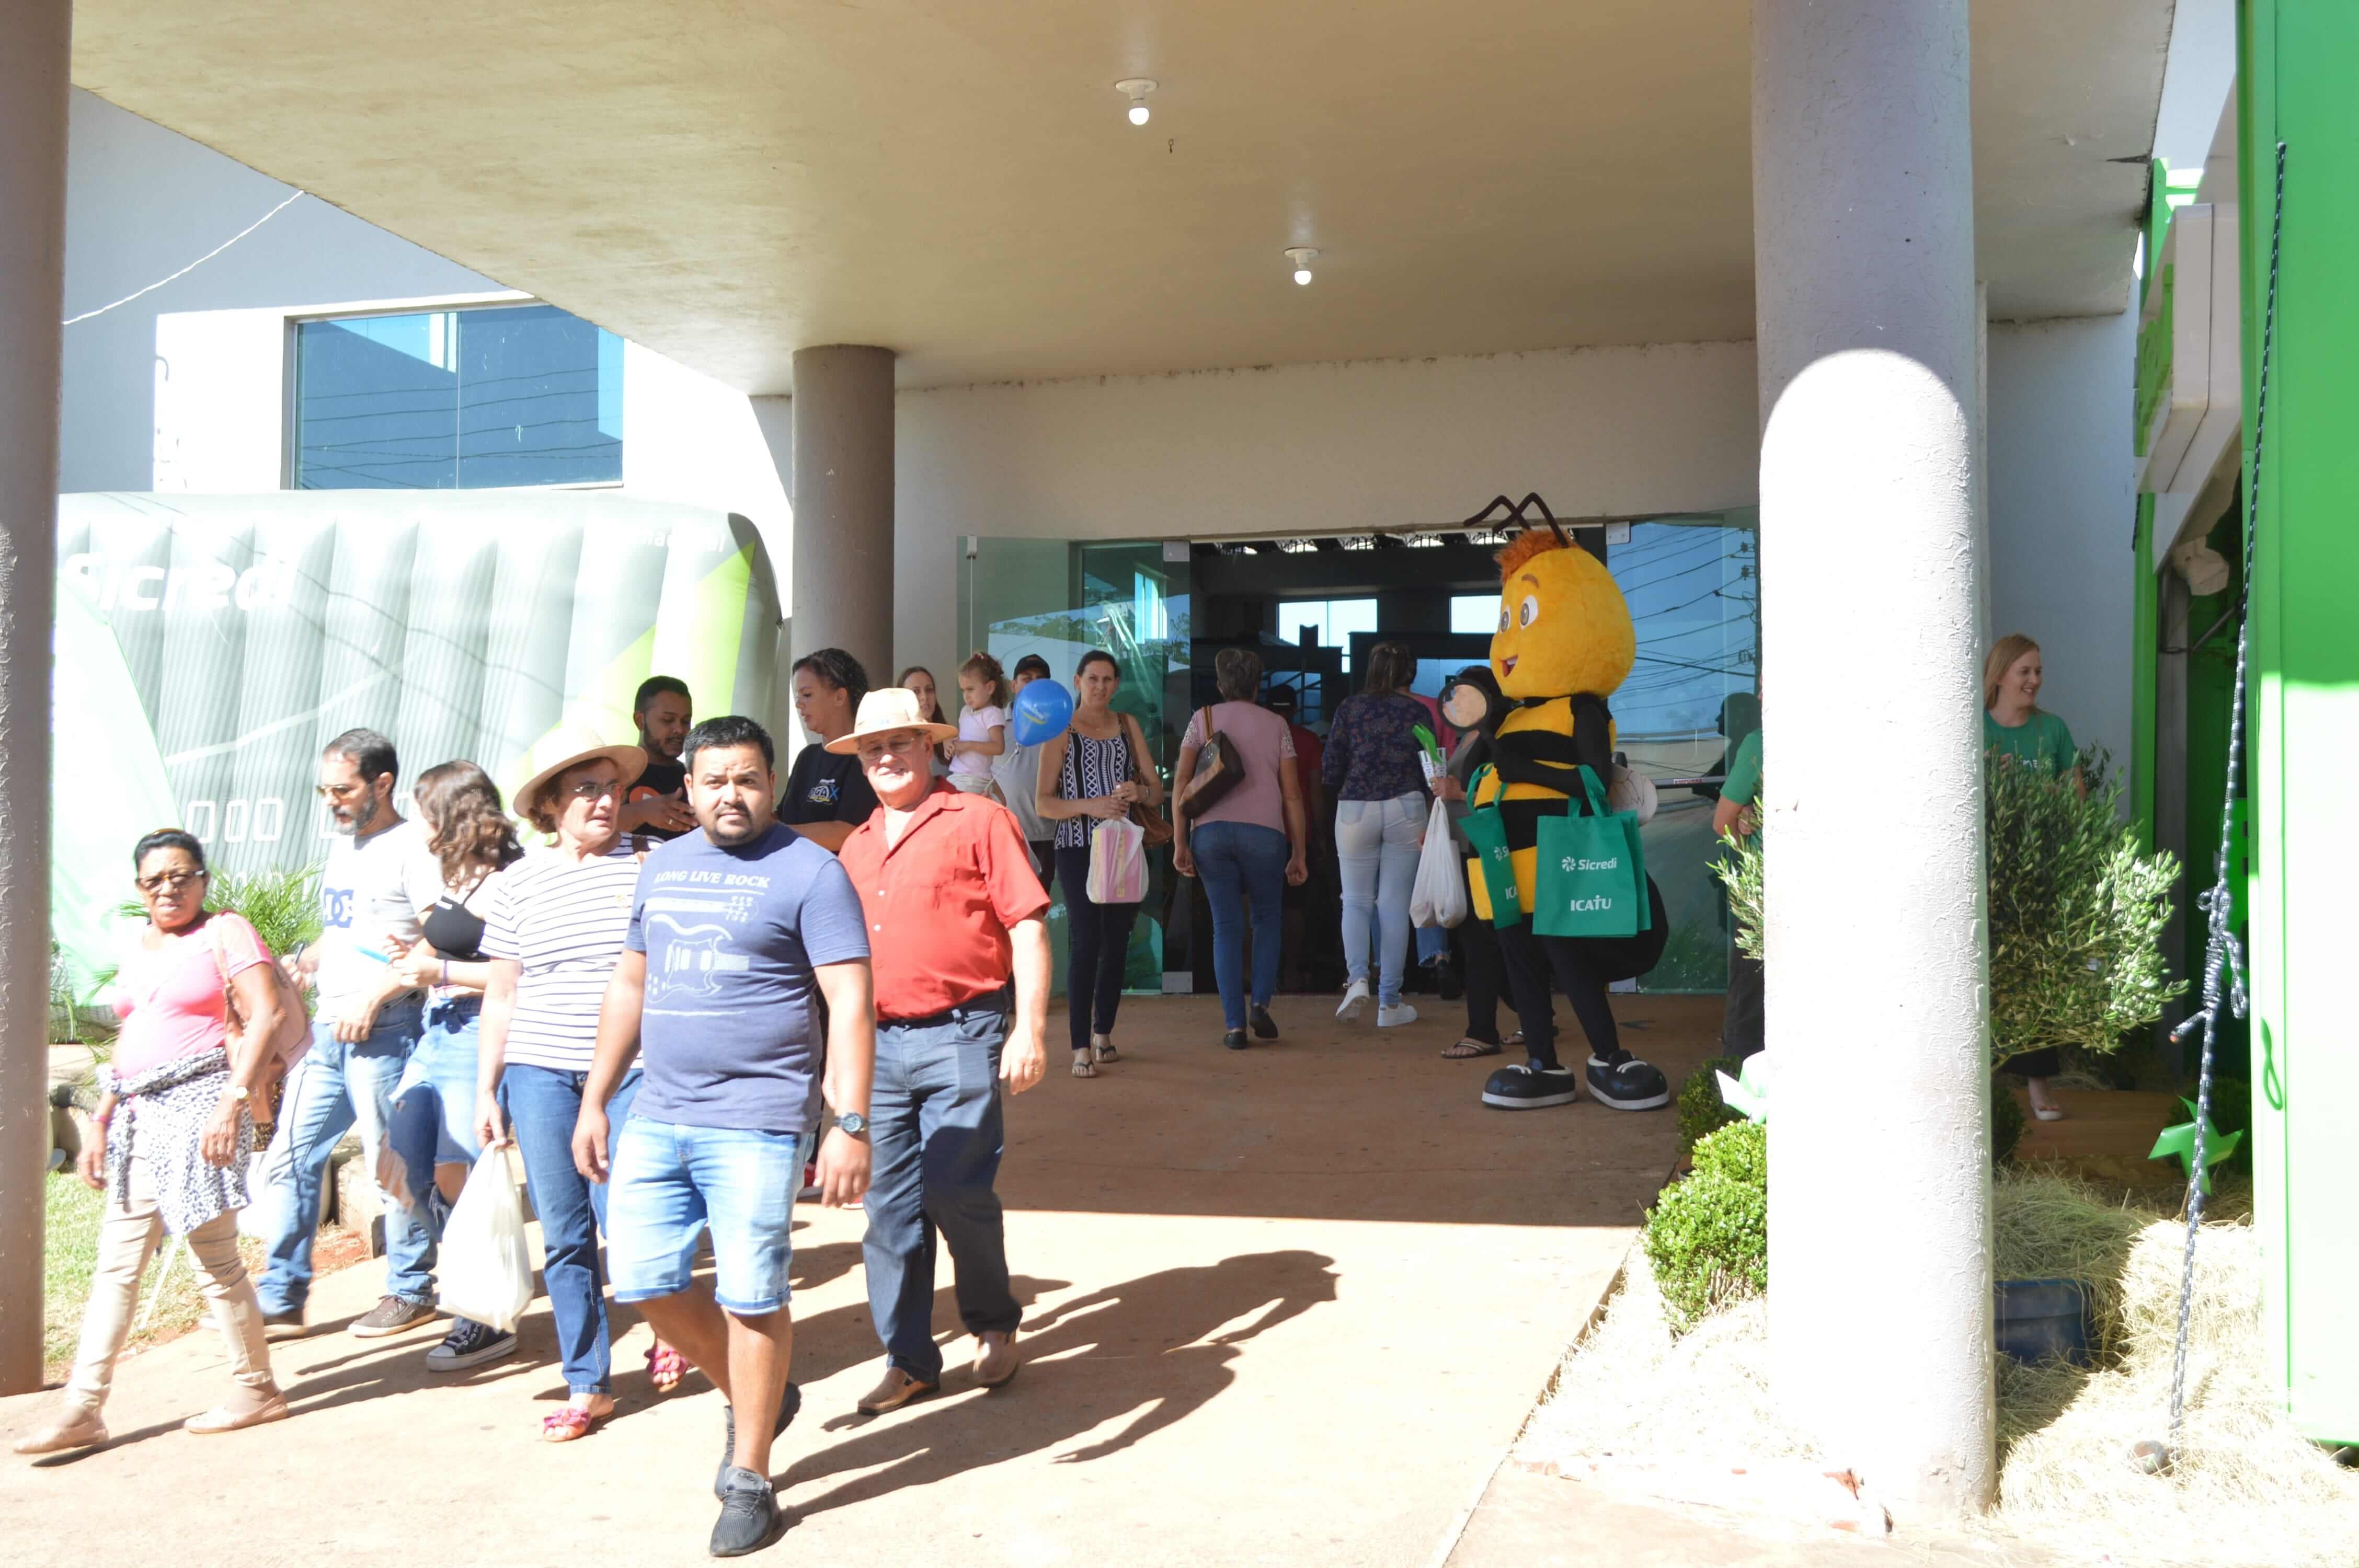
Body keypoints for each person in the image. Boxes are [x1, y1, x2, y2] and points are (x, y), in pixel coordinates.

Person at [575, 714, 875, 1558]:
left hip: (758, 1120)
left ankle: (750, 1475)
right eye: (713, 781)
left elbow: (851, 1003)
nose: (730, 795)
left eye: (745, 779)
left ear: (771, 781)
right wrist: (597, 1097)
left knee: (751, 1295)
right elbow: (631, 982)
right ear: (690, 789)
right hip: (658, 1111)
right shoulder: (662, 866)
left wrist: (848, 1123)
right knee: (641, 1279)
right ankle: (758, 1395)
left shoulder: (812, 872)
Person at [14, 831, 290, 1454]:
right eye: (153, 880)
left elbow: (267, 1014)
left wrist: (233, 1101)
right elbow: (135, 1039)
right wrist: (103, 1117)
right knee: (117, 1264)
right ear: (139, 888)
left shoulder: (226, 932)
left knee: (214, 1260)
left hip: (202, 1106)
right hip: (139, 1114)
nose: (168, 889)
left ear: (203, 879)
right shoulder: (142, 945)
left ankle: (257, 1390)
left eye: (181, 876)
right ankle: (84, 1407)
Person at [833, 689, 1050, 1412]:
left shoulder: (980, 819)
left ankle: (992, 1324)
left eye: (900, 743)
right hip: (879, 1044)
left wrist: (1030, 1028)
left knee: (956, 1190)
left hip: (963, 1032)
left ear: (930, 747)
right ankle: (909, 1359)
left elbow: (1027, 927)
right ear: (861, 764)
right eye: (873, 749)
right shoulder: (856, 847)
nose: (887, 758)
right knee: (889, 1212)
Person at [474, 732, 663, 1438]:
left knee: (632, 1219)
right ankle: (589, 1383)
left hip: (633, 1076)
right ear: (551, 806)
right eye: (585, 788)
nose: (605, 800)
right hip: (538, 1076)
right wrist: (485, 1090)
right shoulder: (517, 883)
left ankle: (669, 1329)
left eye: (612, 787)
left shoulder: (652, 866)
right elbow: (502, 994)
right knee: (565, 1234)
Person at [256, 729, 445, 1340]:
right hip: (329, 1032)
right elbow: (349, 929)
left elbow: (444, 935)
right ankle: (282, 1294)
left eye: (344, 788)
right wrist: (307, 958)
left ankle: (412, 1288)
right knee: (289, 1157)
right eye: (326, 790)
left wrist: (376, 994)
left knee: (392, 1168)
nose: (332, 800)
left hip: (386, 1030)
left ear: (382, 784)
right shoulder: (347, 845)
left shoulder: (412, 847)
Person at [385, 760, 525, 1373]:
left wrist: (436, 972)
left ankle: (482, 1315)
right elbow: (436, 942)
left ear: (451, 814)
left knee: (458, 1178)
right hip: (435, 1034)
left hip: (474, 1034)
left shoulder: (508, 883)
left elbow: (512, 973)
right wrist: (400, 970)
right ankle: (475, 1284)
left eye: (423, 809)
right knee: (399, 1164)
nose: (416, 822)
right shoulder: (457, 878)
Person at [1035, 650, 1164, 1078]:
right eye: (1093, 679)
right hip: (1076, 846)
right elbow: (1044, 803)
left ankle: (1103, 1031)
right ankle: (1078, 1047)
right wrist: (1092, 805)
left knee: (1118, 941)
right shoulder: (1061, 730)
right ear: (1077, 681)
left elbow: (1156, 791)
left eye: (1109, 680)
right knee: (1085, 940)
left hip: (1122, 846)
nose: (1101, 687)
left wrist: (1137, 793)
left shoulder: (1127, 725)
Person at [1171, 647, 1308, 1050]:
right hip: (1265, 835)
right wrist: (1298, 851)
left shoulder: (1202, 719)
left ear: (1220, 685)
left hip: (1210, 834)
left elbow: (1182, 782)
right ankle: (1260, 1004)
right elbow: (1293, 795)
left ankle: (1234, 1026)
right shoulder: (1277, 725)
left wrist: (1181, 839)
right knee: (1266, 919)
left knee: (1225, 927)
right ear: (1257, 685)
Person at [1984, 633, 2077, 1119]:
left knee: (2036, 980)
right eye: (2025, 672)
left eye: (2038, 671)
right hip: (1985, 871)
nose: (2034, 681)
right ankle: (1980, 1087)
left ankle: (2039, 1091)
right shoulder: (1973, 728)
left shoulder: (2053, 730)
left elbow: (2075, 799)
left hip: (2038, 871)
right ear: (1999, 676)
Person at [1322, 640, 1433, 1028]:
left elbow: (1332, 764)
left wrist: (1338, 790)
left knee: (1354, 901)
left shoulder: (1350, 708)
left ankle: (1356, 981)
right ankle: (1390, 1003)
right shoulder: (1418, 712)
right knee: (1393, 905)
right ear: (1410, 673)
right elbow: (1430, 768)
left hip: (1355, 808)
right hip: (1407, 807)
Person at [1434, 665, 1525, 1061]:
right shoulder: (1468, 735)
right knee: (1493, 936)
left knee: (1482, 938)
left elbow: (1505, 791)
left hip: (1488, 847)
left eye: (1461, 694)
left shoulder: (1498, 735)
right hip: (1468, 846)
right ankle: (1531, 1012)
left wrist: (1459, 791)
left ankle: (1482, 1030)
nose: (1454, 702)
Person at [781, 648, 880, 852]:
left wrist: (773, 834)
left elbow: (847, 833)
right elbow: (782, 816)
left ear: (839, 697)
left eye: (807, 695)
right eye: (798, 696)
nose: (799, 705)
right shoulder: (807, 757)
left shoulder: (867, 756)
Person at [1711, 716, 1765, 1062]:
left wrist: (1751, 834)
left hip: (1765, 889)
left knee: (1750, 991)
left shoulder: (1761, 741)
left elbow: (1721, 823)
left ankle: (1738, 1093)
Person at [991, 653, 1058, 893]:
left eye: (1040, 679)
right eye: (1026, 678)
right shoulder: (994, 722)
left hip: (1045, 834)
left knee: (1037, 911)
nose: (1033, 684)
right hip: (1002, 833)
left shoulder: (1059, 725)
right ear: (1014, 684)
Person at [622, 675, 697, 840]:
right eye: (668, 720)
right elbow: (578, 829)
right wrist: (640, 813)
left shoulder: (697, 780)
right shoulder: (616, 775)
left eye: (686, 721)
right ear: (640, 721)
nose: (679, 729)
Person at [944, 650, 1011, 796]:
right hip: (957, 775)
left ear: (990, 688)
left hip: (974, 780)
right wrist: (948, 743)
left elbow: (998, 747)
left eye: (971, 690)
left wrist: (968, 746)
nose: (966, 696)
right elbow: (958, 736)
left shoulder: (992, 714)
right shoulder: (965, 711)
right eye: (963, 691)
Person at [898, 664, 952, 778]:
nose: (925, 697)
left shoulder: (950, 739)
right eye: (916, 692)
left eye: (929, 690)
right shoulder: (895, 744)